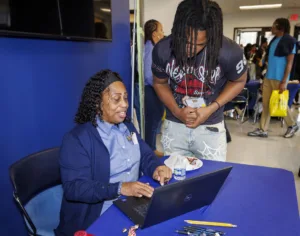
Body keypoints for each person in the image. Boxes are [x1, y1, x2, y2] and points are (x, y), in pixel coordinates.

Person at [55, 70, 172, 236]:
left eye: (125, 97)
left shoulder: (127, 127)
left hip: (132, 204)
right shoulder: (77, 139)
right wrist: (120, 188)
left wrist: (156, 168)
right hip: (99, 215)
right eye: (116, 99)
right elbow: (75, 188)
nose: (124, 104)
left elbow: (146, 155)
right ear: (97, 103)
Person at [152, 0, 247, 161]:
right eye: (186, 41)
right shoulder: (163, 49)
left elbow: (238, 81)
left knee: (211, 180)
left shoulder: (229, 51)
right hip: (175, 126)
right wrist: (176, 110)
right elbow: (159, 83)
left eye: (199, 44)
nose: (189, 49)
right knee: (175, 181)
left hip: (211, 128)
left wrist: (211, 108)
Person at [248, 18, 299, 138]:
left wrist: (284, 81)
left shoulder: (290, 41)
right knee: (266, 104)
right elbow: (269, 62)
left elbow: (290, 63)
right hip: (269, 77)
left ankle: (292, 125)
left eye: (274, 25)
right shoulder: (274, 41)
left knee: (279, 103)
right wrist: (263, 78)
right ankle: (263, 129)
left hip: (279, 79)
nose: (272, 27)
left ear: (280, 26)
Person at [143, 19, 165, 156]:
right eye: (161, 30)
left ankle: (151, 148)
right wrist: (161, 87)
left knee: (155, 119)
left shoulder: (154, 48)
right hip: (152, 90)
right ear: (154, 34)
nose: (163, 34)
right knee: (152, 120)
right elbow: (148, 75)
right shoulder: (150, 49)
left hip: (155, 89)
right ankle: (150, 150)